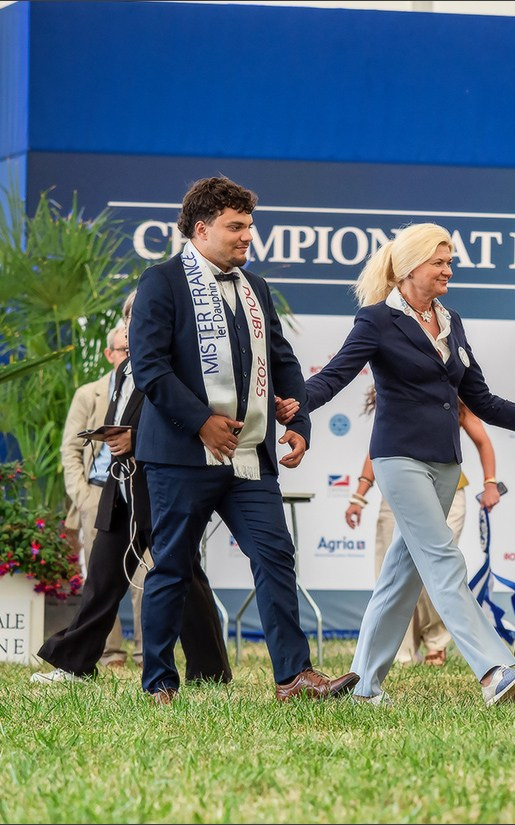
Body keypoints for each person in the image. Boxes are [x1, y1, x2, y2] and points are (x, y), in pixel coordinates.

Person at [129, 176, 357, 705]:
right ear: (201, 229)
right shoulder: (160, 282)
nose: (246, 236)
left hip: (250, 456)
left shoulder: (254, 288)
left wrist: (298, 424)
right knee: (172, 565)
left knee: (275, 555)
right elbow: (151, 369)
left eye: (249, 226)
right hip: (182, 455)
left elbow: (282, 361)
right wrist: (200, 421)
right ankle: (160, 681)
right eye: (235, 227)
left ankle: (293, 677)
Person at [301, 222, 515, 707]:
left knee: (399, 577)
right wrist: (293, 407)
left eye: (450, 262)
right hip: (398, 458)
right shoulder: (376, 320)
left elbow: (482, 400)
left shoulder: (452, 321)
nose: (449, 270)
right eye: (440, 262)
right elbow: (335, 376)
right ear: (410, 268)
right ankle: (493, 671)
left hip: (446, 464)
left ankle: (363, 686)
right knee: (445, 560)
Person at [32, 291, 231, 686]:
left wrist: (135, 440)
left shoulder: (179, 368)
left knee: (186, 577)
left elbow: (190, 425)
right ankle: (75, 664)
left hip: (162, 486)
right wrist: (113, 437)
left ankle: (209, 670)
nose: (137, 327)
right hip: (118, 488)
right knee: (103, 580)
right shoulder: (123, 371)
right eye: (133, 319)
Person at [345, 390, 502, 667]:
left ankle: (437, 640)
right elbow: (376, 447)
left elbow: (482, 440)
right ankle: (399, 652)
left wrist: (490, 482)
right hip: (398, 487)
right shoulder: (391, 388)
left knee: (435, 565)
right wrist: (359, 496)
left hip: (447, 492)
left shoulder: (451, 395)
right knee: (390, 570)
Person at [59, 322, 133, 667]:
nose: (128, 357)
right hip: (97, 493)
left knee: (146, 577)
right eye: (123, 351)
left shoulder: (148, 388)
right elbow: (70, 451)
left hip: (137, 491)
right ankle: (110, 653)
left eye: (133, 351)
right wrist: (82, 495)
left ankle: (148, 654)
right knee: (101, 577)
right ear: (109, 354)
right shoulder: (89, 393)